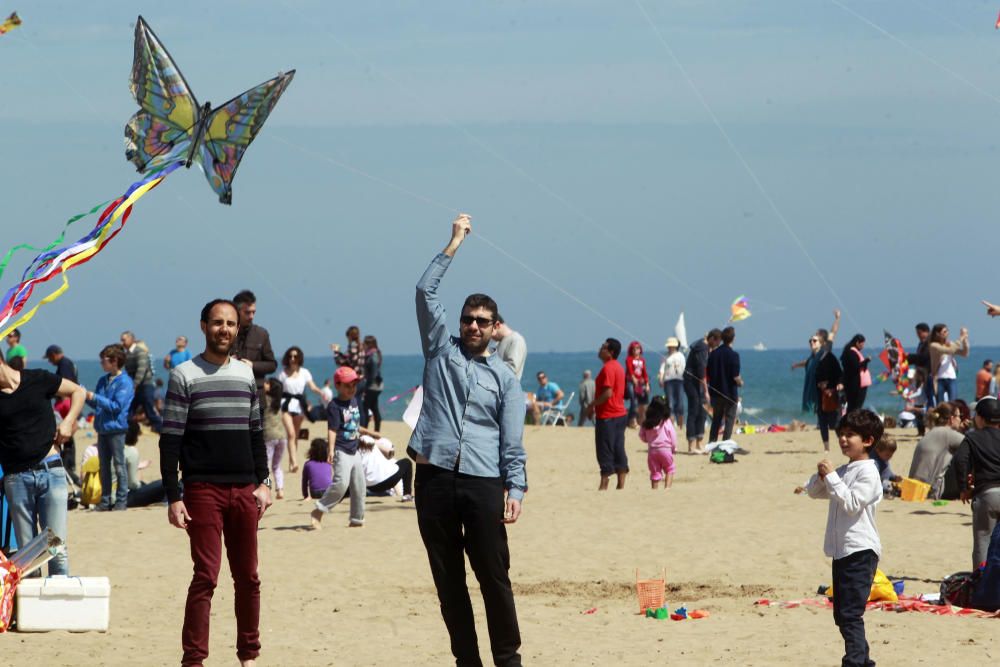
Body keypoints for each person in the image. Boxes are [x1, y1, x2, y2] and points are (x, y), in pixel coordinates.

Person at [408, 214, 527, 666]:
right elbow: (424, 291)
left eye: (482, 321)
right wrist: (454, 242)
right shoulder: (440, 350)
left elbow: (512, 442)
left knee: (493, 576)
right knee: (448, 580)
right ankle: (467, 662)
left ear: (495, 327)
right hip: (434, 476)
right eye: (468, 319)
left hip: (482, 481)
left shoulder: (504, 378)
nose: (473, 326)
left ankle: (508, 658)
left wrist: (515, 488)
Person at [159, 298, 271, 667]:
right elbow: (170, 439)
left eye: (231, 324)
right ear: (204, 326)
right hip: (202, 489)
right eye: (217, 322)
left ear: (238, 330)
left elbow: (256, 433)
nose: (224, 329)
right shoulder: (184, 374)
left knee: (249, 578)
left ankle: (248, 656)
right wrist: (174, 496)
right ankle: (194, 660)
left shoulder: (245, 374)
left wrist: (264, 482)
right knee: (206, 576)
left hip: (244, 489)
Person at [801, 409, 884, 667]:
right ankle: (863, 661)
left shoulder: (869, 472)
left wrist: (834, 478)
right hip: (841, 551)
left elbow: (851, 503)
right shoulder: (845, 470)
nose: (844, 440)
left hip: (860, 551)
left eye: (851, 435)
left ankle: (855, 661)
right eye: (842, 435)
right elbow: (815, 492)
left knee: (850, 613)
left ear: (868, 440)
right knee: (841, 613)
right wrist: (822, 475)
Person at [0, 352, 85, 575]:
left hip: (50, 471)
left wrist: (68, 423)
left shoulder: (37, 379)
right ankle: (32, 609)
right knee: (27, 556)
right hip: (16, 479)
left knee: (57, 548)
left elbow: (78, 391)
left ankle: (57, 608)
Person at [310, 366, 379, 529]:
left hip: (354, 450)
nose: (351, 389)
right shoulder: (334, 405)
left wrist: (370, 432)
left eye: (354, 385)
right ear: (338, 386)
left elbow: (354, 426)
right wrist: (331, 450)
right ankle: (319, 510)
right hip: (341, 449)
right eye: (347, 385)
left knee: (359, 485)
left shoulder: (354, 401)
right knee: (341, 483)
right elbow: (332, 429)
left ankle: (356, 519)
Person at [85, 344, 135, 512]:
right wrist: (85, 396)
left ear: (114, 361)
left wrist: (96, 397)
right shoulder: (103, 380)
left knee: (119, 466)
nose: (101, 363)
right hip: (102, 428)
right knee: (104, 466)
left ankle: (121, 501)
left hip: (116, 429)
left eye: (103, 360)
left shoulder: (125, 382)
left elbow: (116, 406)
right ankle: (105, 501)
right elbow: (97, 404)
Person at [953, 396, 1000, 567]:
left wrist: (964, 488)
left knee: (983, 540)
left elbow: (960, 460)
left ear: (980, 418)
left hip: (987, 495)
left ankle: (980, 582)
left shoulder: (973, 438)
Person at [586, 338, 628, 490]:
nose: (600, 349)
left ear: (610, 352)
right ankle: (621, 485)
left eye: (603, 347)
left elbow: (608, 393)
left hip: (608, 415)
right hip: (620, 414)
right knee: (618, 448)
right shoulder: (618, 367)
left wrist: (592, 405)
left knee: (605, 451)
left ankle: (604, 485)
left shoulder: (609, 368)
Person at [231, 289, 278, 424]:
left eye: (253, 312)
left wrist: (253, 365)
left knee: (255, 443)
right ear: (236, 311)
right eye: (247, 312)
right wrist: (227, 362)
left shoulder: (261, 334)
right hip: (230, 397)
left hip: (256, 398)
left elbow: (272, 364)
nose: (251, 316)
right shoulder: (225, 332)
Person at [276, 346, 324, 474]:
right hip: (285, 404)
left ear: (299, 358)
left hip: (299, 405)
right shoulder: (282, 373)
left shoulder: (305, 372)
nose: (293, 359)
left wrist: (321, 392)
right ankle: (295, 462)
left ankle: (292, 462)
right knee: (290, 434)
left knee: (295, 435)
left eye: (295, 356)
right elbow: (277, 390)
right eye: (290, 356)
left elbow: (312, 386)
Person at [908, 402, 964, 500]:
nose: (960, 420)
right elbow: (975, 446)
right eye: (959, 416)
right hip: (931, 491)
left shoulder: (932, 432)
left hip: (913, 489)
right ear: (951, 419)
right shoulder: (948, 434)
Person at [792, 310, 841, 414]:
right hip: (813, 385)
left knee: (822, 406)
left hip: (822, 384)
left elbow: (833, 332)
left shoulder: (826, 347)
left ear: (821, 338)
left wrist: (837, 318)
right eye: (811, 340)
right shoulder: (814, 353)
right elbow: (809, 362)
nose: (812, 340)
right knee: (815, 407)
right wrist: (797, 365)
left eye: (815, 337)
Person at [45, 344, 81, 485]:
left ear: (54, 354)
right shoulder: (66, 363)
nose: (50, 361)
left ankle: (73, 476)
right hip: (67, 403)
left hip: (67, 404)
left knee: (68, 447)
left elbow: (67, 384)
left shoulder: (64, 364)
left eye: (50, 358)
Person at [683, 329, 720, 453]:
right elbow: (702, 372)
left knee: (703, 411)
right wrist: (706, 391)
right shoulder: (702, 347)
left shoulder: (706, 347)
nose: (717, 346)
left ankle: (699, 442)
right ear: (712, 339)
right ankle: (691, 445)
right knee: (694, 410)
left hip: (698, 382)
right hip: (692, 382)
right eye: (716, 343)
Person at [121, 330, 162, 433]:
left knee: (149, 409)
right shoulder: (127, 354)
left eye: (124, 340)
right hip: (135, 385)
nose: (122, 342)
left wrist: (134, 385)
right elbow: (128, 371)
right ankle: (131, 430)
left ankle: (160, 429)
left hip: (145, 385)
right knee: (130, 409)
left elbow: (141, 370)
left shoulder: (139, 352)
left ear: (131, 339)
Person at [706, 326, 742, 443]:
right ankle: (725, 443)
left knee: (716, 420)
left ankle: (712, 443)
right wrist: (740, 382)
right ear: (733, 339)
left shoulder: (713, 354)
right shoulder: (734, 355)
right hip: (729, 394)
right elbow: (735, 377)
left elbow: (709, 373)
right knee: (729, 420)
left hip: (716, 393)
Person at [357, 435, 414, 501]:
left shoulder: (350, 450)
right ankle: (407, 495)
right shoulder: (367, 439)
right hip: (388, 481)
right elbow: (389, 452)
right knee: (406, 462)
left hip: (371, 487)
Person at [639, 396, 676, 490]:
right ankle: (667, 489)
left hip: (652, 451)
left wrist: (648, 440)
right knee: (669, 468)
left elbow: (642, 436)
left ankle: (654, 490)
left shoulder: (647, 422)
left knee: (655, 473)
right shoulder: (666, 421)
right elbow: (673, 435)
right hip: (666, 450)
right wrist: (673, 447)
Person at [814, 332, 843, 452]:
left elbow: (840, 373)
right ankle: (826, 448)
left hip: (831, 393)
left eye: (814, 341)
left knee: (835, 423)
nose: (811, 343)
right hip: (819, 394)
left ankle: (843, 443)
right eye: (810, 341)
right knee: (822, 421)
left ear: (822, 344)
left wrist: (839, 384)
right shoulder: (814, 358)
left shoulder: (829, 357)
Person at [929, 323, 969, 404]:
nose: (947, 334)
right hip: (939, 378)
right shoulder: (933, 345)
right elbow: (949, 350)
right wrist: (960, 338)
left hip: (951, 377)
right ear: (937, 333)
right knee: (940, 404)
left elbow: (964, 353)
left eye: (947, 331)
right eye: (944, 332)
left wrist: (965, 340)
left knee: (953, 402)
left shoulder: (949, 344)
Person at [262, 378, 286, 500]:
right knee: (276, 465)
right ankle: (280, 489)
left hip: (269, 436)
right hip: (282, 437)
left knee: (265, 466)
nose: (264, 384)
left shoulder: (264, 400)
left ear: (270, 388)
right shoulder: (278, 403)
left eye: (267, 383)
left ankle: (267, 488)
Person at [658, 337, 685, 429]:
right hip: (668, 381)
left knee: (680, 403)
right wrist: (661, 379)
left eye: (672, 346)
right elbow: (662, 369)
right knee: (670, 403)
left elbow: (684, 368)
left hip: (679, 380)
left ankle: (680, 424)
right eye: (669, 346)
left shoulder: (680, 355)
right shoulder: (665, 356)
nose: (670, 347)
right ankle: (672, 425)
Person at [840, 334, 871, 413]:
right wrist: (866, 360)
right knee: (856, 405)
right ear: (857, 343)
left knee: (854, 405)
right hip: (856, 384)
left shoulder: (852, 351)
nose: (863, 346)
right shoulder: (851, 352)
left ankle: (851, 421)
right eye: (862, 344)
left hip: (855, 383)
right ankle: (853, 422)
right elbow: (855, 366)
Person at [491, 315, 527, 380]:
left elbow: (512, 368)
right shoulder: (498, 343)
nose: (490, 338)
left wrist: (487, 366)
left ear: (497, 325)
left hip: (509, 388)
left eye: (490, 332)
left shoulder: (516, 340)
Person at [625, 341, 650, 429]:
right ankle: (632, 420)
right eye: (634, 348)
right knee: (634, 401)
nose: (636, 350)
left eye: (638, 348)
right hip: (631, 382)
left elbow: (644, 373)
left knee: (642, 404)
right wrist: (633, 378)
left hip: (640, 383)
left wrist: (647, 384)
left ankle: (640, 420)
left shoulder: (642, 360)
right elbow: (630, 370)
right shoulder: (629, 359)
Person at [361, 335, 384, 430]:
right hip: (376, 386)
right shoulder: (372, 354)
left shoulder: (373, 355)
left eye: (364, 344)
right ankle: (376, 430)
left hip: (373, 386)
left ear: (369, 345)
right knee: (374, 407)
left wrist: (365, 385)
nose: (363, 345)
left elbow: (373, 374)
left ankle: (365, 429)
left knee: (365, 408)